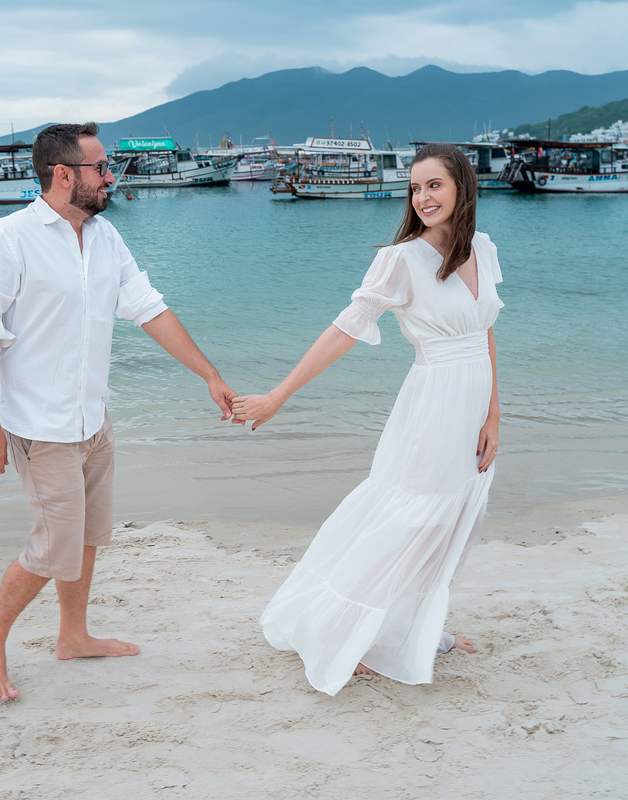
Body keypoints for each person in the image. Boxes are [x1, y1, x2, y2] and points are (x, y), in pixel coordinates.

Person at [0, 122, 237, 701]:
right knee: (51, 545)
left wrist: (208, 374)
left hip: (93, 420)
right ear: (64, 175)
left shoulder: (105, 237)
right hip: (39, 426)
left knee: (86, 537)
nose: (111, 177)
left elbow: (149, 309)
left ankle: (73, 635)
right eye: (101, 168)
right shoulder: (7, 240)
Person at [231, 143, 503, 696]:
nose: (422, 197)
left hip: (472, 407)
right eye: (416, 186)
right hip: (432, 408)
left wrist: (494, 415)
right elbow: (344, 330)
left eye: (434, 185)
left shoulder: (485, 249)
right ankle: (345, 633)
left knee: (453, 524)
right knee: (411, 521)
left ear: (462, 187)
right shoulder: (401, 259)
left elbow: (486, 334)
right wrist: (278, 395)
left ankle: (412, 630)